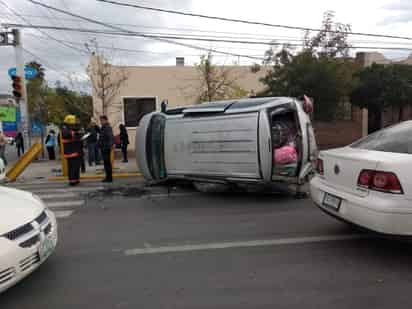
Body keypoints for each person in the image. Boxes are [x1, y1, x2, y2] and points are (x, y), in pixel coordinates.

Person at [61, 115, 83, 186]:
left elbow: (75, 135)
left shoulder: (69, 127)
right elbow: (67, 134)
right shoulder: (65, 128)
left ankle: (76, 180)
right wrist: (76, 133)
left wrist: (80, 134)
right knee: (72, 167)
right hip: (71, 151)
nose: (73, 124)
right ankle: (72, 181)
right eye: (72, 122)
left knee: (76, 166)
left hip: (75, 150)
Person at [98, 115, 114, 183]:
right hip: (104, 147)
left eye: (101, 120)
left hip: (106, 148)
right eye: (100, 120)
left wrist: (109, 146)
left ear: (105, 120)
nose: (101, 122)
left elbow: (110, 137)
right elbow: (102, 136)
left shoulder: (107, 127)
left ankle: (109, 178)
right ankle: (108, 177)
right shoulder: (103, 127)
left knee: (107, 163)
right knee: (106, 163)